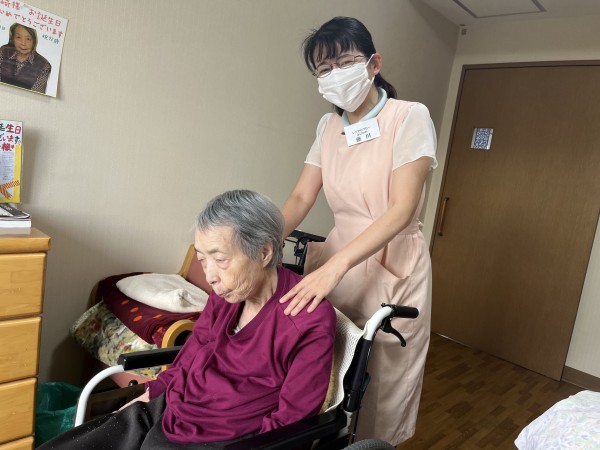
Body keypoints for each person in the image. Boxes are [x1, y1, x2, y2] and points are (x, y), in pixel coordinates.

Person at [39, 190, 336, 449]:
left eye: (220, 260)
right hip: (171, 408)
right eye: (203, 260)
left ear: (264, 252)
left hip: (226, 438)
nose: (210, 277)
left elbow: (290, 421)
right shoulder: (225, 294)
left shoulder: (309, 320)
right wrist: (150, 394)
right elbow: (192, 354)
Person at [279, 16, 437, 445]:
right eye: (324, 69)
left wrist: (336, 267)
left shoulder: (409, 117)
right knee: (327, 361)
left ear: (373, 64)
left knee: (380, 378)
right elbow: (301, 197)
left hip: (391, 263)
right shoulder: (328, 127)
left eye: (345, 62)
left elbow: (401, 209)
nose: (335, 74)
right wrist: (261, 240)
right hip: (340, 256)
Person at [0, 23, 52, 93]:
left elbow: (35, 95)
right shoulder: (3, 51)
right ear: (13, 39)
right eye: (18, 37)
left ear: (34, 41)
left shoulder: (44, 65)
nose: (23, 43)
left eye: (28, 39)